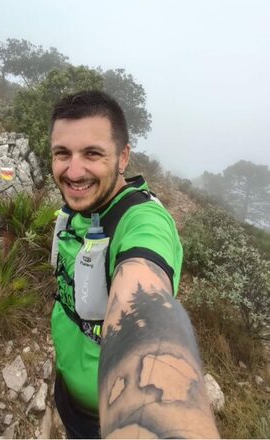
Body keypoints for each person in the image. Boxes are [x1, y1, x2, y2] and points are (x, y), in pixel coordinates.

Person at [50, 90, 219, 439]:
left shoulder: (143, 222)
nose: (73, 170)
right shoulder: (75, 210)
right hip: (68, 396)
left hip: (103, 422)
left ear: (123, 157)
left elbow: (142, 300)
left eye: (92, 153)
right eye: (62, 154)